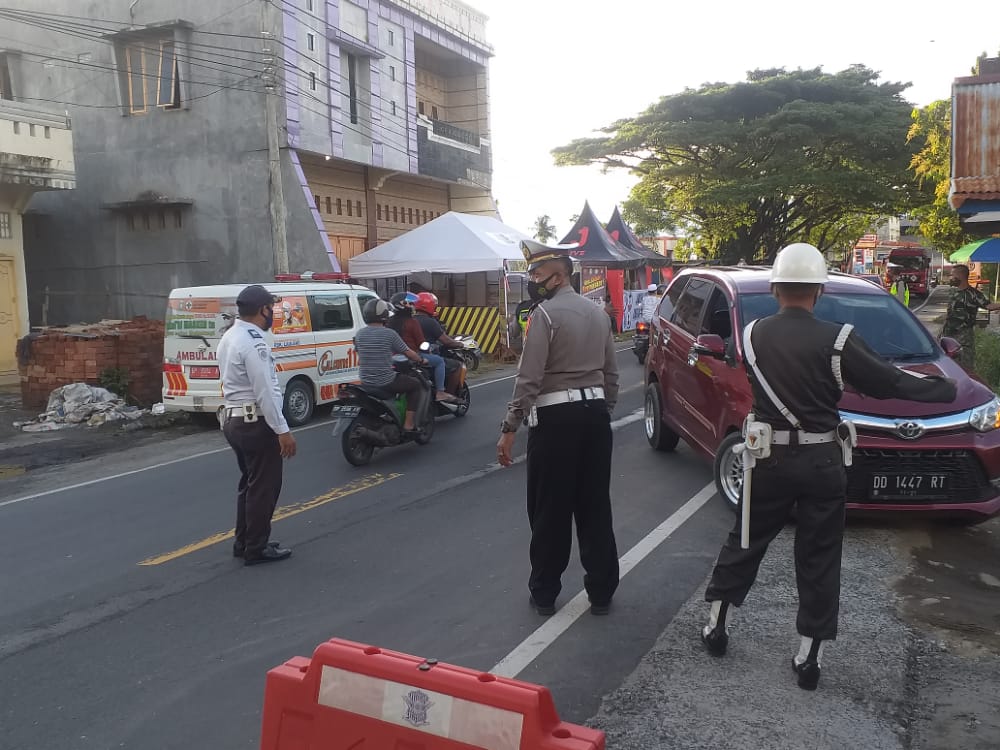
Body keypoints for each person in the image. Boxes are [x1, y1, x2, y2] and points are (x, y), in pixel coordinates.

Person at [700, 243, 957, 690]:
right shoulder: (839, 339)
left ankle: (716, 626)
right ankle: (808, 658)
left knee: (745, 539)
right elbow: (889, 383)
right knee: (819, 557)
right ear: (818, 291)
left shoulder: (753, 333)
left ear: (777, 288)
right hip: (822, 460)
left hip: (767, 459)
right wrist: (945, 391)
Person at [497, 239, 621, 618]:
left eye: (537, 272)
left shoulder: (545, 316)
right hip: (595, 418)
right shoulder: (598, 313)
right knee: (595, 506)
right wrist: (601, 410)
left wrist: (509, 427)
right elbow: (611, 373)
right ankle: (601, 592)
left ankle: (546, 593)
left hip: (556, 421)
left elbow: (529, 378)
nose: (533, 278)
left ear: (559, 274)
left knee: (551, 510)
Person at [217, 284, 297, 566]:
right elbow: (265, 390)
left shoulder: (231, 335)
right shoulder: (254, 341)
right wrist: (283, 430)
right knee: (264, 486)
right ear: (263, 309)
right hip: (255, 422)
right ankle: (256, 547)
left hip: (234, 419)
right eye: (271, 309)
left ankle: (245, 541)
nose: (273, 313)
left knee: (249, 484)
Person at [355, 298, 428, 431]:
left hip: (365, 381)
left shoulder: (359, 334)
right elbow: (408, 353)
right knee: (415, 385)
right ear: (383, 315)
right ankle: (408, 424)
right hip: (385, 380)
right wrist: (421, 360)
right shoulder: (389, 334)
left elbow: (361, 356)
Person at [387, 291, 455, 402]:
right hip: (412, 356)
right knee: (439, 361)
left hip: (392, 358)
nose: (413, 306)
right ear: (403, 305)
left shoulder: (389, 322)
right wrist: (428, 350)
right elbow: (421, 343)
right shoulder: (412, 322)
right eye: (410, 304)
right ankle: (440, 392)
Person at [942, 264, 1000, 372]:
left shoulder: (974, 294)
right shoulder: (953, 292)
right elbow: (949, 314)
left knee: (966, 368)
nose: (950, 277)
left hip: (964, 338)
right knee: (948, 367)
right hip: (948, 335)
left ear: (960, 276)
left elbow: (989, 306)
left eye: (952, 275)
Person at [413, 292, 465, 390]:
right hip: (427, 355)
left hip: (412, 356)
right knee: (457, 366)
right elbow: (446, 341)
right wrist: (460, 344)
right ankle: (446, 393)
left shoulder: (411, 320)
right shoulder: (431, 322)